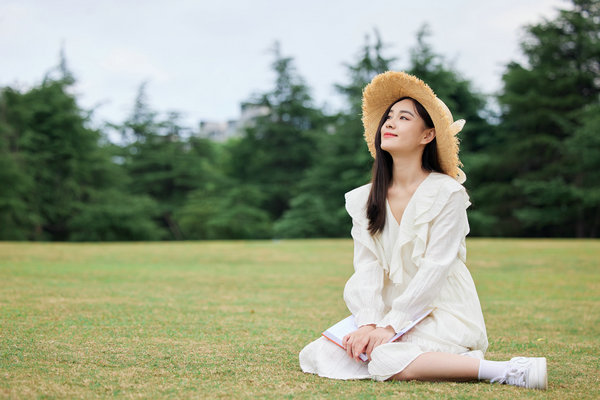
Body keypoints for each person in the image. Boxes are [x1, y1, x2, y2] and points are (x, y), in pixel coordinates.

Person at [299, 71, 547, 390]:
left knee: (384, 358)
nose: (389, 123)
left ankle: (504, 370)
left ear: (427, 135)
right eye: (388, 117)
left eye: (403, 117)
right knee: (322, 353)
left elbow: (436, 268)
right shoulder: (364, 198)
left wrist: (391, 327)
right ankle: (440, 359)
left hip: (441, 307)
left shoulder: (447, 193)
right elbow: (367, 266)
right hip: (391, 310)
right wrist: (370, 322)